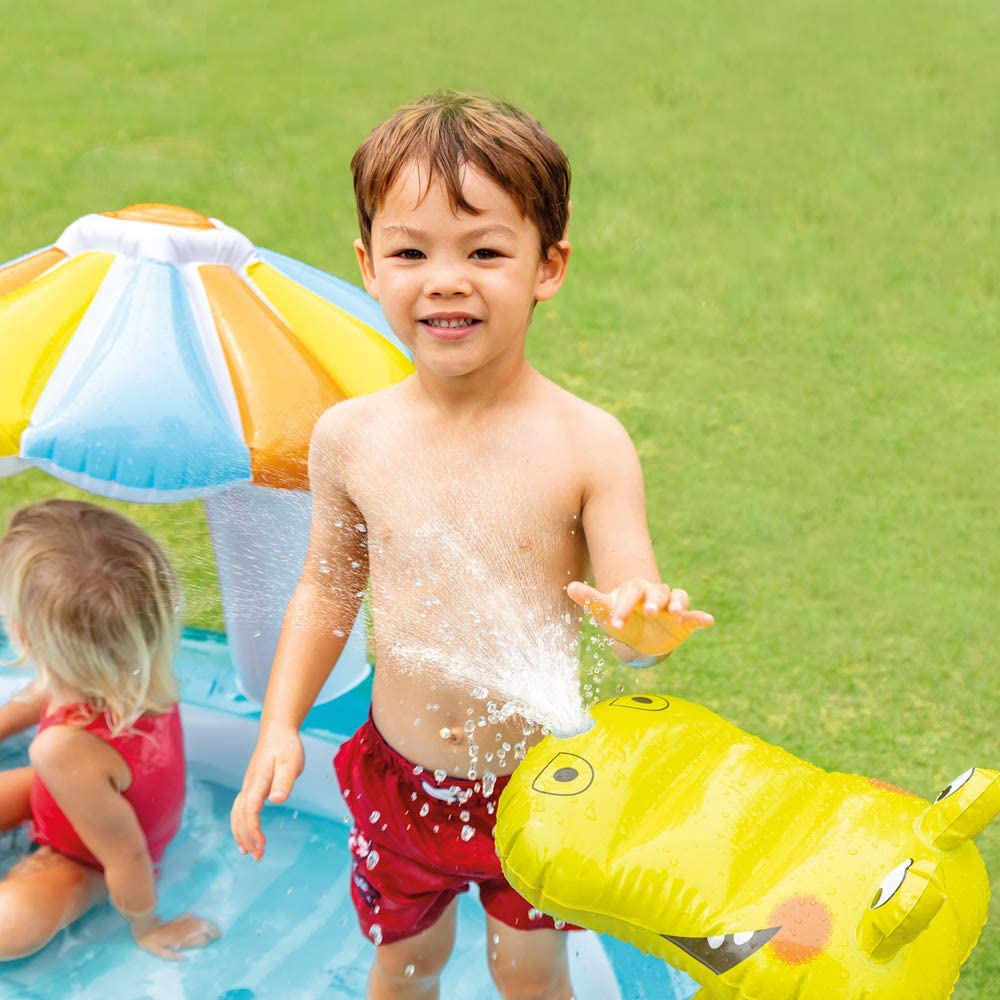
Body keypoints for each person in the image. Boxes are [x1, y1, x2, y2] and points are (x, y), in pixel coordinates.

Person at [231, 91, 712, 1000]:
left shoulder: (585, 443)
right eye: (412, 252)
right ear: (369, 267)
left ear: (549, 266)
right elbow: (329, 590)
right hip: (398, 775)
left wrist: (641, 624)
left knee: (527, 972)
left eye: (485, 251)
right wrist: (280, 724)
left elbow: (625, 604)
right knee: (402, 967)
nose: (445, 279)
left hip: (537, 787)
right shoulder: (351, 437)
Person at [0, 499, 219, 961]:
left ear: (21, 633)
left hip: (87, 858)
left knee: (9, 928)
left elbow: (128, 857)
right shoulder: (136, 660)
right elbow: (46, 691)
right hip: (69, 798)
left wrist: (147, 926)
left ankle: (49, 879)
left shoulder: (62, 749)